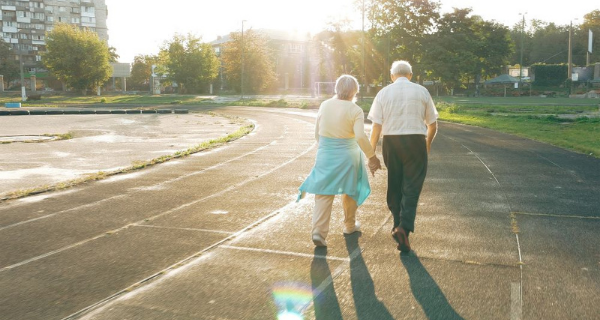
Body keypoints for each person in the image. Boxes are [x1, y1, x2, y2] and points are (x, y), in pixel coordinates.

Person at [299, 75, 381, 247]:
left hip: (326, 154)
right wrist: (372, 157)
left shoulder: (325, 105)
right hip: (347, 156)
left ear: (336, 89)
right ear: (355, 91)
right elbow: (360, 135)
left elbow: (317, 133)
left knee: (323, 193)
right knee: (350, 191)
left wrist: (325, 148)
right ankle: (349, 226)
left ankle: (318, 232)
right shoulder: (355, 110)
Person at [367, 60, 438, 253]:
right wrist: (427, 143)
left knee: (395, 184)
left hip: (391, 141)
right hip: (415, 140)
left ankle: (397, 224)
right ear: (410, 75)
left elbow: (376, 127)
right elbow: (432, 124)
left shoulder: (383, 93)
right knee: (412, 186)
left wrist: (371, 153)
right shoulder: (422, 91)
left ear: (392, 76)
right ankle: (404, 227)